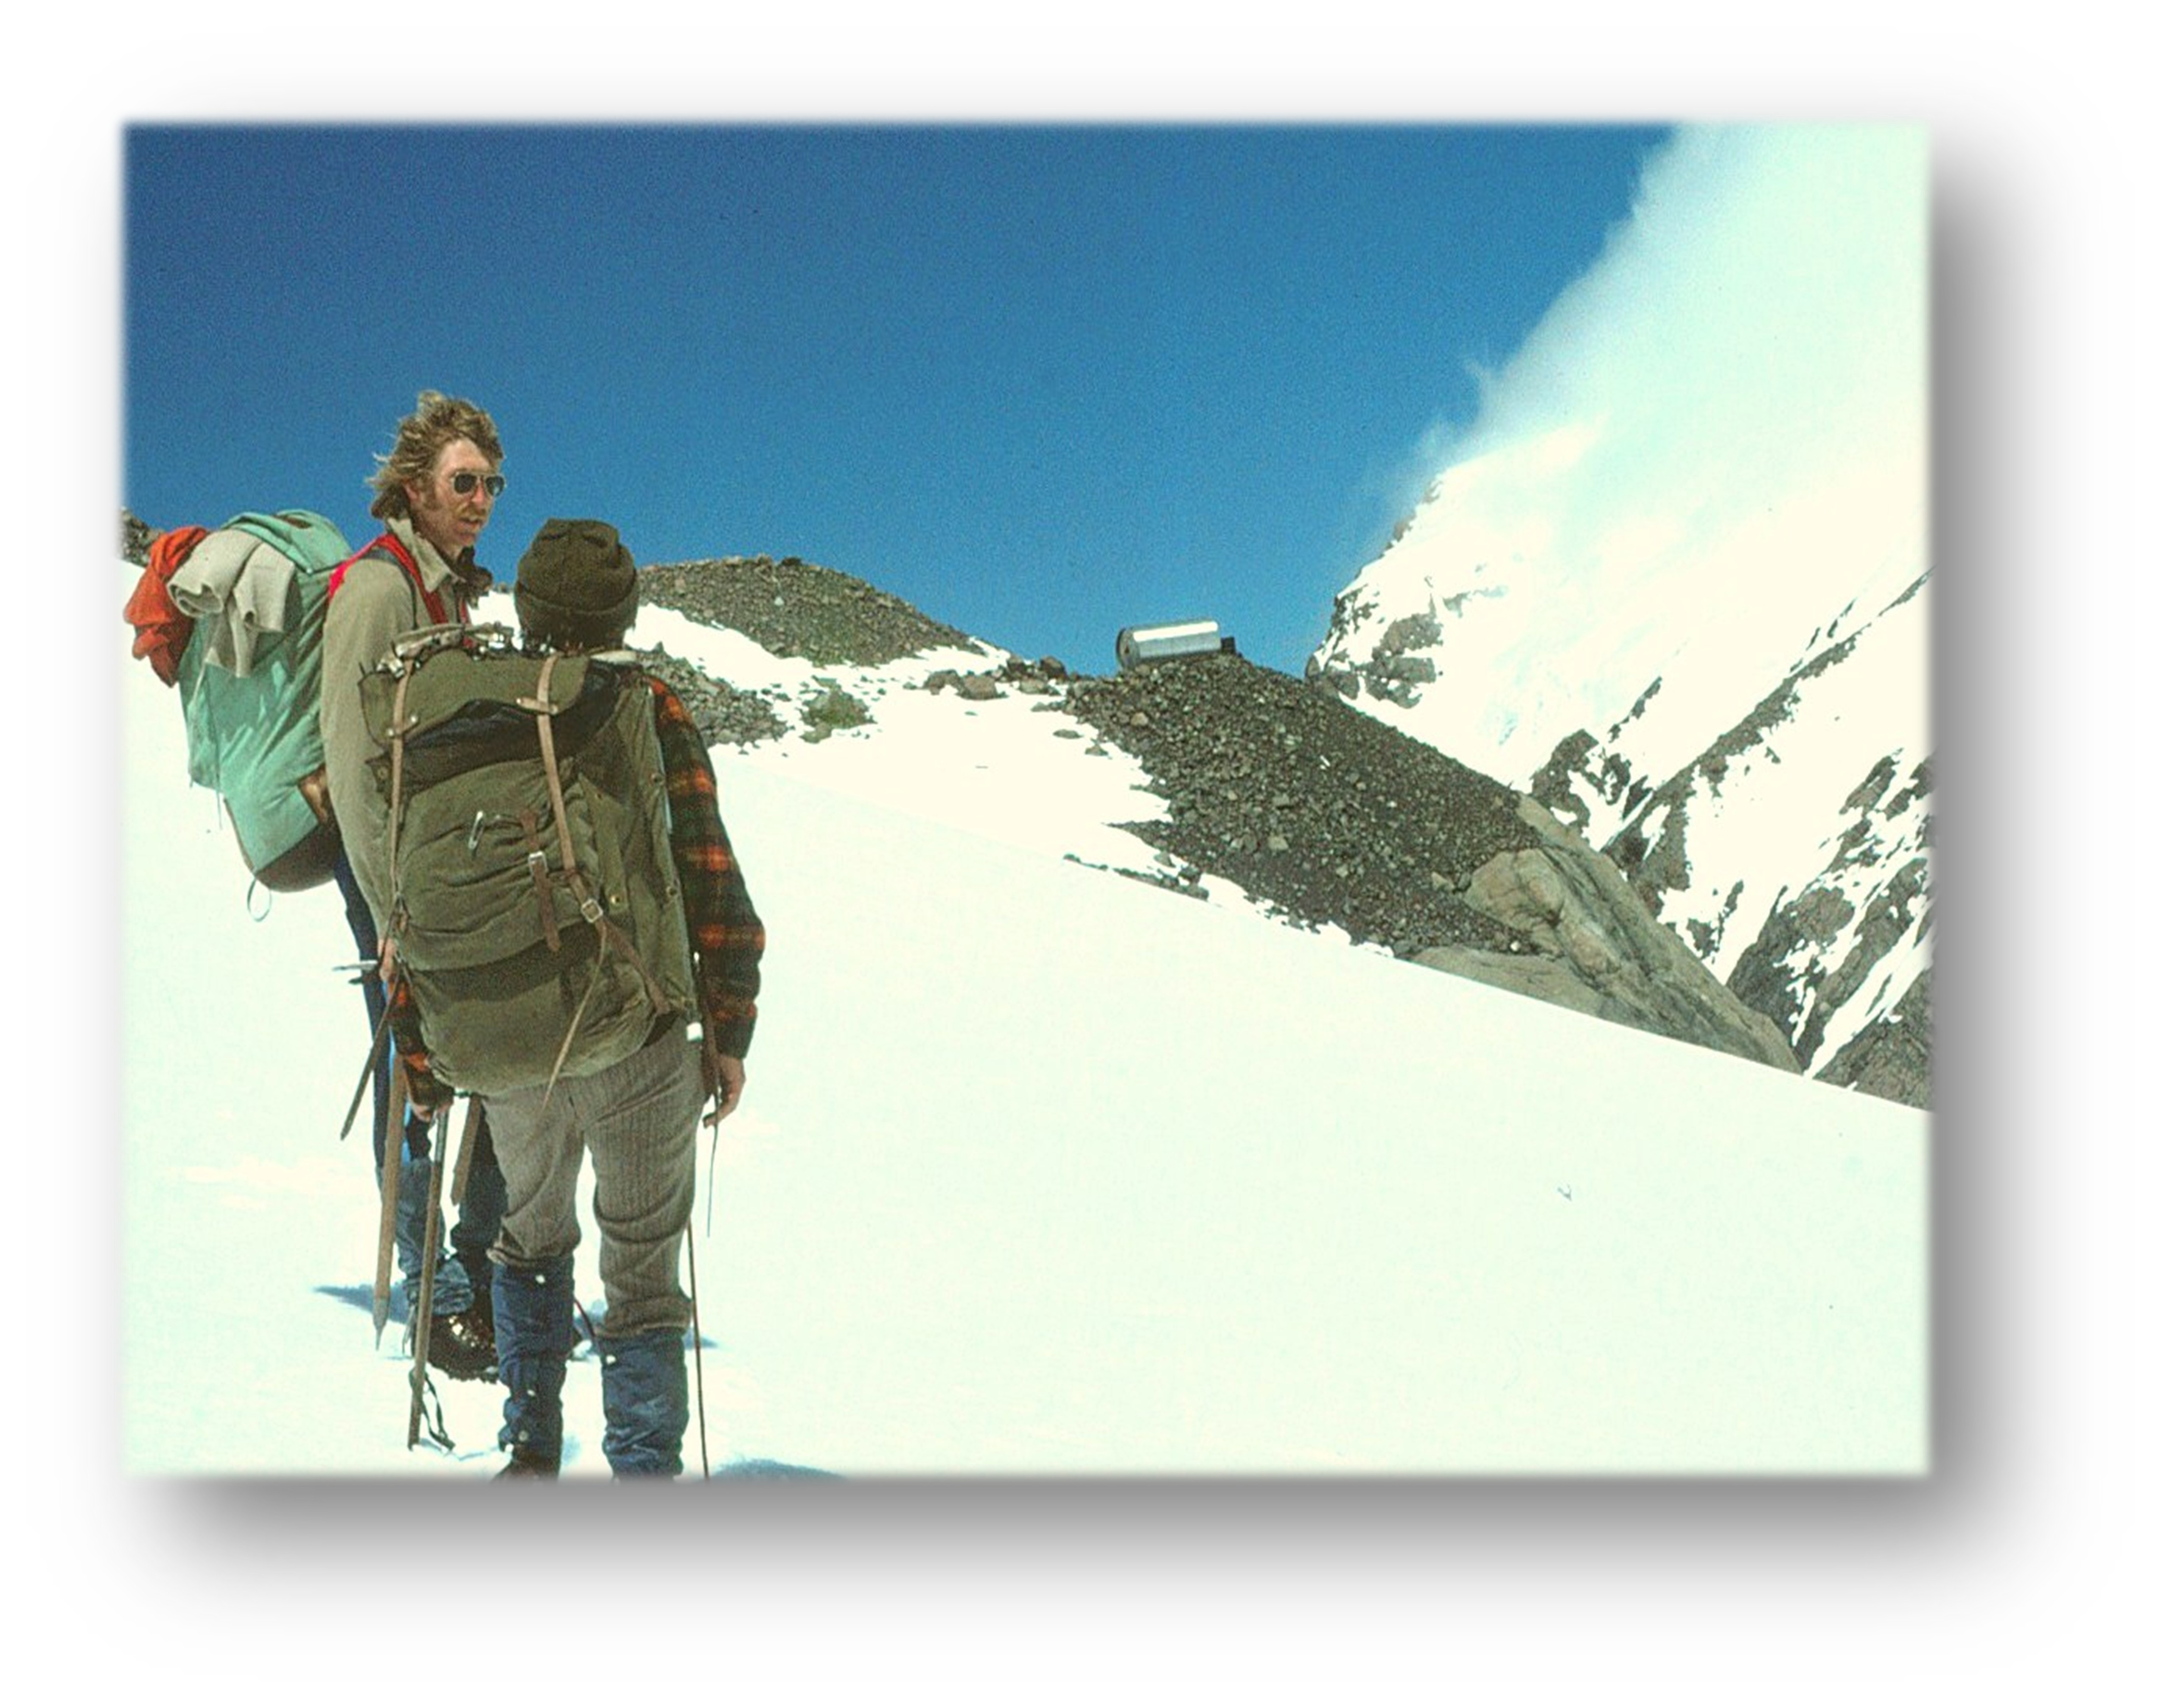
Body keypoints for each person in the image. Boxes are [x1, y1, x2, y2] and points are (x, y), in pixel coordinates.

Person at [390, 517, 764, 1479]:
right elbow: (707, 869)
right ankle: (642, 1476)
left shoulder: (456, 708)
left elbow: (411, 900)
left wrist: (426, 1054)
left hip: (509, 1046)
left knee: (528, 1240)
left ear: (530, 607)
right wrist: (729, 1026)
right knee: (640, 1274)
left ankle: (532, 1450)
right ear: (622, 613)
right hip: (633, 1037)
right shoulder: (644, 702)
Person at [320, 390, 512, 1380]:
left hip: (441, 872)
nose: (482, 501)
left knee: (469, 1057)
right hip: (390, 878)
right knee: (411, 1077)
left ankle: (468, 1273)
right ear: (413, 489)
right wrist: (385, 904)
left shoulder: (447, 590)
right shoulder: (378, 590)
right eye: (464, 482)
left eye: (492, 485)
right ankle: (432, 1290)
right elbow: (351, 759)